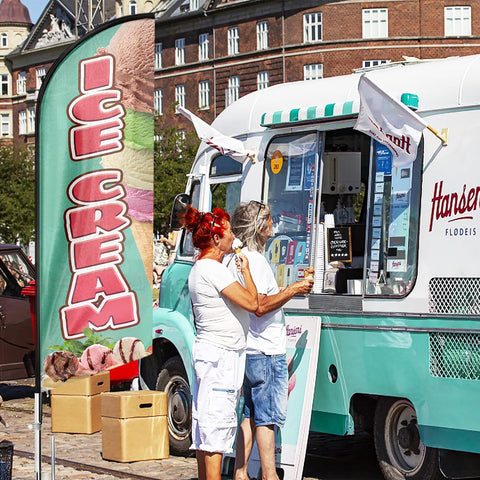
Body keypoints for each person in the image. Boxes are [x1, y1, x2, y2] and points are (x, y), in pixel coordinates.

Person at [225, 200, 314, 480]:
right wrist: (295, 288)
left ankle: (240, 472)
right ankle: (268, 474)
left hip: (249, 348)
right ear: (258, 227)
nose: (273, 224)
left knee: (249, 415)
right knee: (267, 417)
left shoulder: (234, 260)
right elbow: (261, 305)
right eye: (269, 219)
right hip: (265, 349)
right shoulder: (256, 260)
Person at [183, 205, 259, 480]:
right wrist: (247, 271)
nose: (232, 236)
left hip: (212, 353)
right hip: (221, 356)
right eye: (227, 231)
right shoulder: (212, 270)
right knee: (216, 427)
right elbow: (253, 302)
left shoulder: (200, 268)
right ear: (216, 239)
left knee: (206, 427)